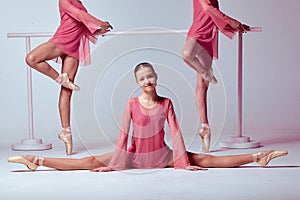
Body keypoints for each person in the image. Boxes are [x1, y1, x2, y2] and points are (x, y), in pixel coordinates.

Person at [8, 62, 288, 172]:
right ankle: (37, 161)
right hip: (133, 156)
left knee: (206, 160)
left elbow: (176, 133)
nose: (147, 81)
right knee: (90, 161)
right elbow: (124, 135)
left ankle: (258, 157)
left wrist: (181, 162)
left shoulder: (166, 103)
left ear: (156, 77)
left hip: (162, 156)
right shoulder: (131, 103)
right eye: (142, 78)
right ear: (137, 82)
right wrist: (116, 163)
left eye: (150, 76)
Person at [25, 0, 113, 155]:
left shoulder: (79, 3)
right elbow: (80, 15)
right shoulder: (64, 1)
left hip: (74, 48)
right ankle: (60, 78)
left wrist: (100, 30)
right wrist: (100, 23)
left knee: (67, 92)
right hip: (62, 41)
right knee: (32, 58)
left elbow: (83, 26)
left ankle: (66, 133)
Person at [182, 0, 250, 153]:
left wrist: (235, 24)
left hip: (209, 34)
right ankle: (206, 72)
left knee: (202, 85)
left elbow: (214, 13)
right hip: (197, 31)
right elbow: (207, 9)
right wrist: (231, 21)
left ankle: (205, 127)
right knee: (187, 54)